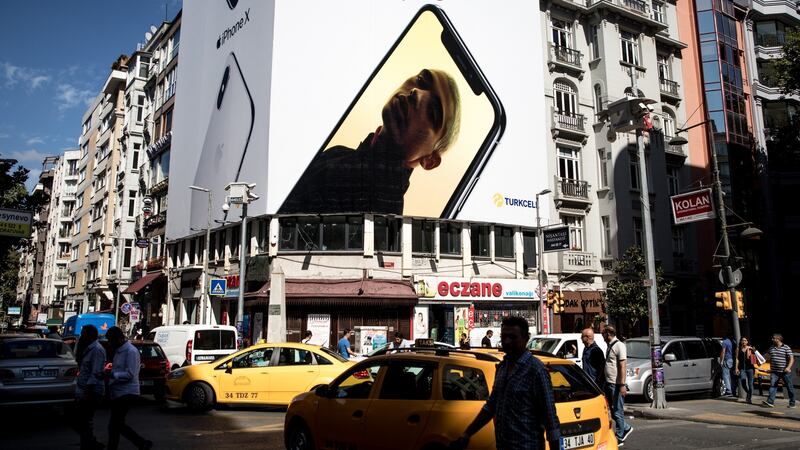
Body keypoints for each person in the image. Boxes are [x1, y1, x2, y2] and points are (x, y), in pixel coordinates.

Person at [279, 68, 461, 215]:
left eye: (433, 112)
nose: (417, 93)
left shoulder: (384, 218)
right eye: (421, 80)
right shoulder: (339, 154)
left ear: (430, 160)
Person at [453, 316, 560, 450]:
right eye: (504, 336)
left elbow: (550, 419)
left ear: (526, 338)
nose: (507, 341)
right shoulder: (502, 368)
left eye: (513, 337)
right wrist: (467, 434)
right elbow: (490, 407)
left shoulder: (536, 370)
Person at [104, 326, 153, 450]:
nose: (110, 344)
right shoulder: (119, 351)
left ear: (119, 339)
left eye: (111, 341)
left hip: (127, 392)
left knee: (116, 424)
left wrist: (113, 375)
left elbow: (130, 374)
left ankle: (141, 443)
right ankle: (141, 443)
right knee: (116, 424)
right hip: (118, 391)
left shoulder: (131, 352)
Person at [72, 324, 106, 450]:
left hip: (91, 390)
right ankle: (90, 443)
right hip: (84, 389)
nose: (82, 336)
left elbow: (95, 373)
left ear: (90, 335)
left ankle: (89, 444)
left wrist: (87, 392)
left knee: (84, 420)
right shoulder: (88, 348)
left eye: (84, 334)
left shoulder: (97, 350)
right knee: (81, 420)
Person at [602, 326, 633, 446]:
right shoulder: (610, 345)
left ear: (609, 334)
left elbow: (622, 366)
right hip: (609, 382)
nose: (603, 337)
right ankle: (625, 427)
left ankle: (620, 436)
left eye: (604, 334)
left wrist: (622, 385)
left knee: (618, 410)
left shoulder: (619, 345)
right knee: (612, 410)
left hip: (616, 384)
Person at [762, 333, 796, 408]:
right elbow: (767, 357)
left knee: (789, 387)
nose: (772, 339)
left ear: (778, 339)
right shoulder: (771, 348)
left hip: (785, 372)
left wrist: (788, 367)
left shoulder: (786, 347)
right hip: (775, 372)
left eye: (773, 338)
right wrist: (760, 359)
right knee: (773, 386)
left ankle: (792, 403)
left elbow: (791, 358)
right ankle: (770, 402)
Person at [735, 336, 756, 404]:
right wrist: (736, 368)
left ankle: (749, 398)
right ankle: (748, 393)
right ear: (740, 341)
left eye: (745, 340)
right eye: (742, 340)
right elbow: (737, 359)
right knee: (743, 382)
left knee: (750, 384)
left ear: (747, 342)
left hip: (750, 368)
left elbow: (754, 357)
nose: (744, 341)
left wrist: (752, 350)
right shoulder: (738, 349)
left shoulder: (750, 348)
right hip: (742, 369)